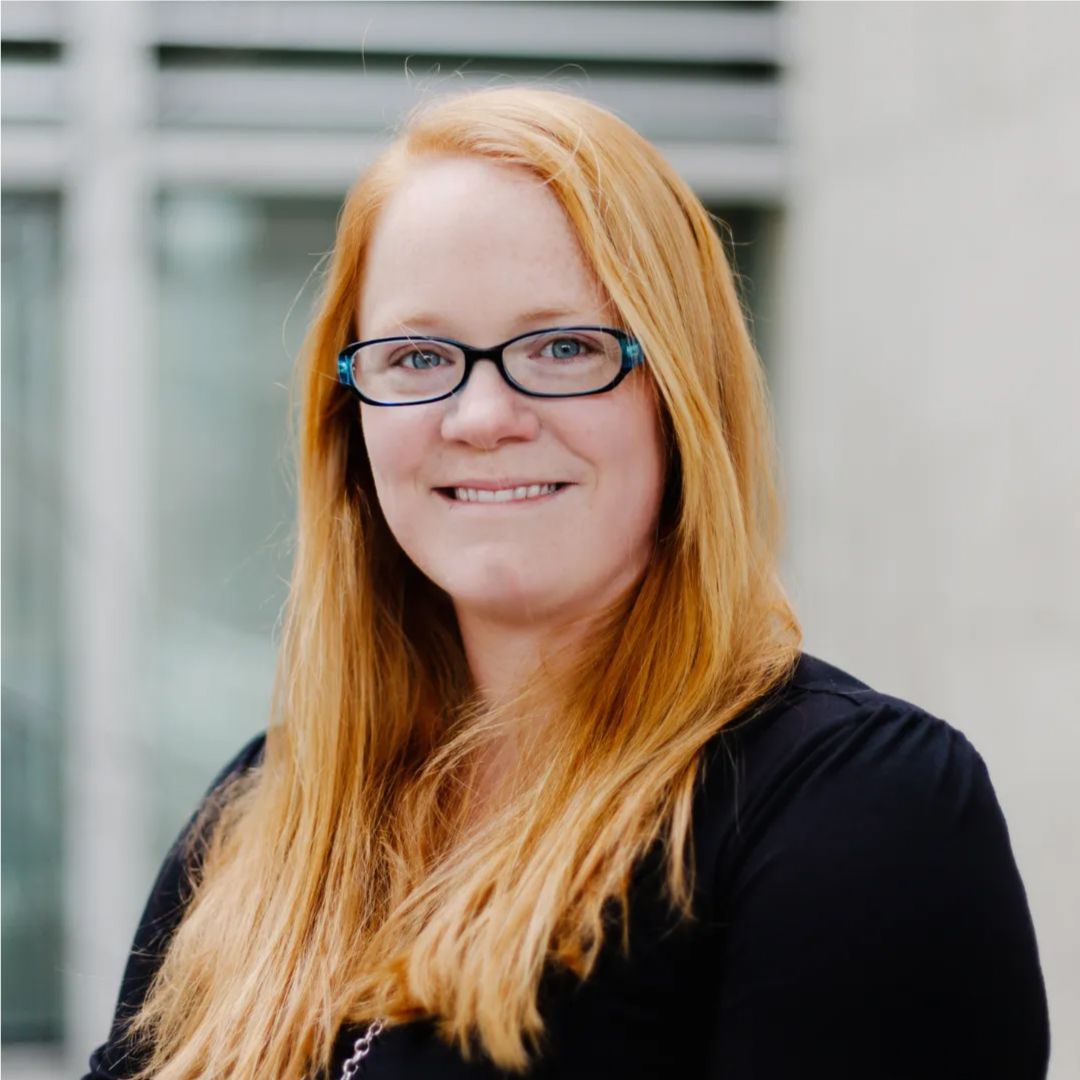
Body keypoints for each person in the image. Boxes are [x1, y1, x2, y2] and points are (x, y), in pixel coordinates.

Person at [84, 87, 1049, 1080]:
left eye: (564, 348)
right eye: (418, 355)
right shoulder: (264, 812)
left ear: (682, 396)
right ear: (351, 423)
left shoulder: (856, 811)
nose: (482, 414)